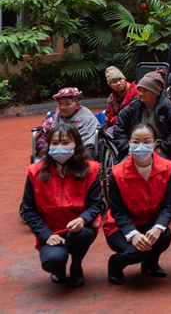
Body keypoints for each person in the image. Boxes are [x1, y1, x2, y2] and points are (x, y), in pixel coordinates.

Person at [22, 123, 102, 288]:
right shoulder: (35, 173)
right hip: (51, 231)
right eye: (55, 143)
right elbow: (28, 210)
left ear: (76, 145)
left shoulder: (90, 170)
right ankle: (58, 268)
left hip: (79, 228)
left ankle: (76, 264)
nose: (60, 147)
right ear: (48, 145)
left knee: (81, 236)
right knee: (53, 260)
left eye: (66, 143)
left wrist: (82, 219)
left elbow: (96, 205)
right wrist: (46, 235)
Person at [105, 123, 171, 285]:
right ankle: (115, 263)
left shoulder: (168, 168)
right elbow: (118, 212)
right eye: (135, 141)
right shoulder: (116, 173)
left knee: (165, 236)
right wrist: (133, 234)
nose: (141, 146)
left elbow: (169, 205)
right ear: (129, 143)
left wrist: (158, 227)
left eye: (146, 141)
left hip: (151, 222)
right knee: (135, 252)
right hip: (120, 227)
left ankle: (150, 263)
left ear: (154, 144)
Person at [114, 68, 171, 168]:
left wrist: (162, 148)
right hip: (135, 149)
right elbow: (119, 129)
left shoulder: (170, 109)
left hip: (161, 149)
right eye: (139, 90)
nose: (140, 94)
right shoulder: (132, 108)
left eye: (145, 91)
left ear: (155, 92)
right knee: (123, 169)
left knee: (162, 168)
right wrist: (129, 148)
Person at [40, 88, 101, 158]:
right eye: (60, 103)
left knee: (81, 156)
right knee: (44, 152)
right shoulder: (57, 116)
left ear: (77, 105)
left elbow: (86, 137)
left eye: (67, 104)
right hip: (58, 146)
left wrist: (68, 146)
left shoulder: (86, 117)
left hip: (83, 147)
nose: (62, 107)